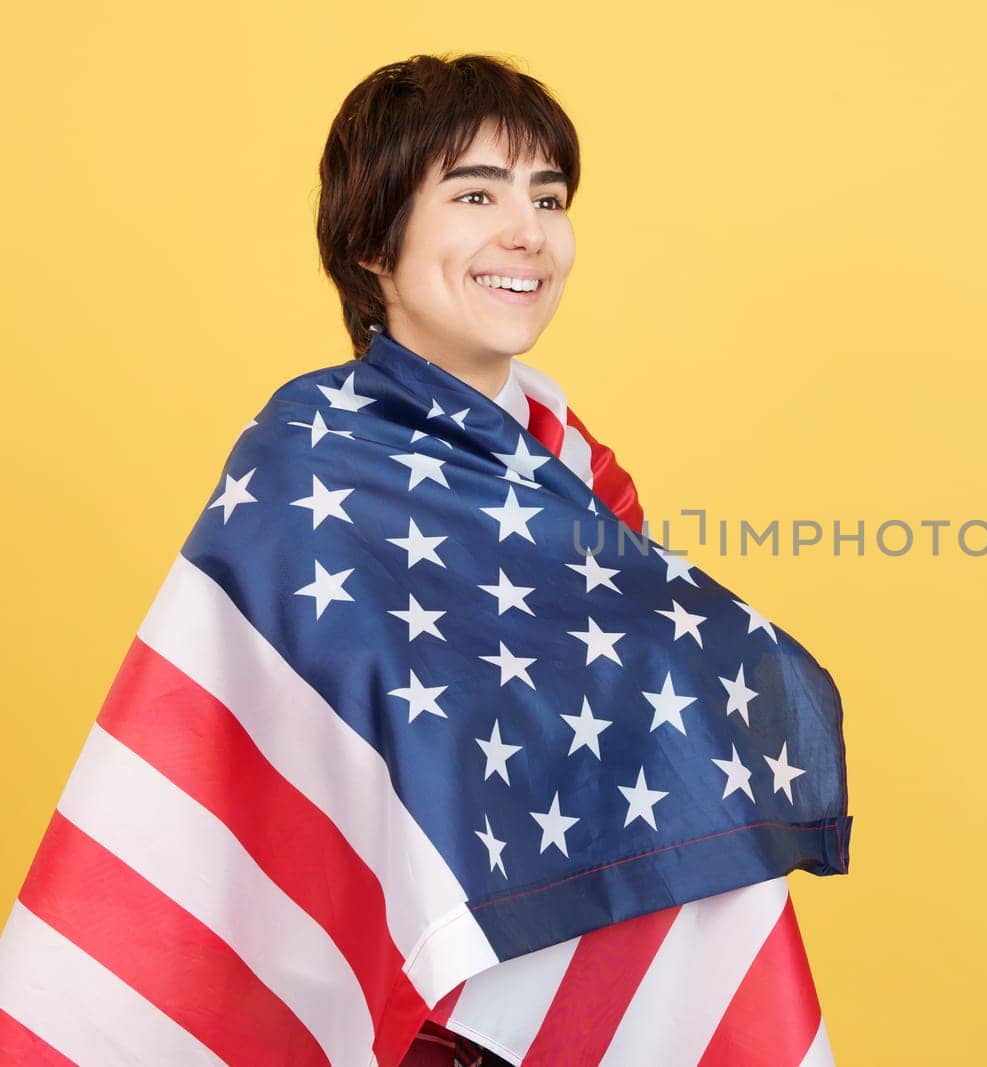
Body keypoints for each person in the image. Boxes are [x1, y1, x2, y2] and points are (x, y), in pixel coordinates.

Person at [0, 52, 850, 1065]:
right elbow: (278, 768)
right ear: (372, 243)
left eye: (548, 194)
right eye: (474, 192)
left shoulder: (581, 476)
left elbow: (625, 752)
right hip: (411, 1017)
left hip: (561, 1002)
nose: (526, 231)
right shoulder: (310, 458)